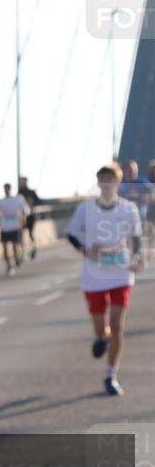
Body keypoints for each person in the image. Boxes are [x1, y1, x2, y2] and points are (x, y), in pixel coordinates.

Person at [65, 161, 144, 396]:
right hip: (94, 276)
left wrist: (137, 257)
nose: (107, 184)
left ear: (118, 183)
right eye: (103, 179)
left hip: (120, 272)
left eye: (111, 179)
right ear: (98, 183)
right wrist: (84, 249)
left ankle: (111, 375)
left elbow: (136, 237)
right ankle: (102, 337)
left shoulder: (128, 209)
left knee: (119, 325)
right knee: (102, 328)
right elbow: (71, 234)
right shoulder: (85, 209)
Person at [0, 183, 30, 276]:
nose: (6, 190)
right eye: (5, 189)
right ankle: (8, 265)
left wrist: (23, 218)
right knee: (4, 248)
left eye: (7, 188)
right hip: (4, 228)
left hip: (15, 226)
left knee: (15, 246)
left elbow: (26, 211)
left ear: (10, 189)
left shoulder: (18, 199)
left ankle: (17, 258)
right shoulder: (1, 201)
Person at [120, 160, 155, 238]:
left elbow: (152, 193)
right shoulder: (121, 185)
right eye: (129, 170)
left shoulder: (143, 183)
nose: (131, 172)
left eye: (133, 170)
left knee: (139, 240)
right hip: (123, 217)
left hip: (140, 216)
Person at [16, 176, 42, 259]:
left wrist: (32, 201)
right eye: (21, 181)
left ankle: (33, 248)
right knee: (21, 234)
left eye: (23, 181)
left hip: (31, 215)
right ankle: (23, 250)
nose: (22, 183)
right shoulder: (19, 192)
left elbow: (39, 201)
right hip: (22, 216)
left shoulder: (31, 192)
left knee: (30, 233)